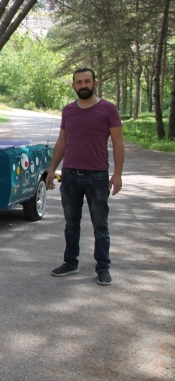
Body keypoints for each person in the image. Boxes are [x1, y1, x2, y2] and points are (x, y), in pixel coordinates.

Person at [46, 67, 124, 286]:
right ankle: (70, 262)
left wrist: (117, 175)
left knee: (101, 225)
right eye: (79, 82)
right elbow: (62, 141)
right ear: (73, 86)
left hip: (97, 177)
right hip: (70, 176)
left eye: (87, 81)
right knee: (71, 223)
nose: (83, 85)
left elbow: (118, 142)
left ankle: (103, 268)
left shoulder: (108, 109)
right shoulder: (68, 111)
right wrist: (52, 169)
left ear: (94, 83)